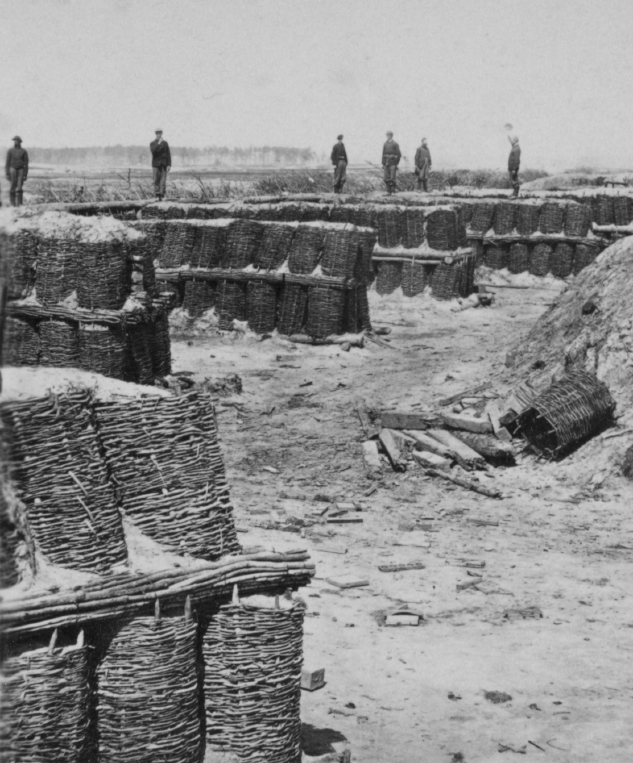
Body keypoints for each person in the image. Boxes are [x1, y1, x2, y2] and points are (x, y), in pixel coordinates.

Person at [5, 136, 29, 207]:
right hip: (13, 169)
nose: (15, 142)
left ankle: (19, 205)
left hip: (21, 170)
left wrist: (25, 174)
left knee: (19, 187)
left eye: (17, 141)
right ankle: (12, 204)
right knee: (12, 187)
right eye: (14, 141)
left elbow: (26, 164)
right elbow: (7, 163)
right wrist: (7, 174)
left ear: (19, 142)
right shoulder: (10, 151)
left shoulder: (23, 151)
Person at [150, 129, 171, 201]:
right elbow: (153, 152)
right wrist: (158, 143)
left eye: (160, 134)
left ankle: (162, 195)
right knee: (156, 180)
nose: (159, 135)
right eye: (157, 134)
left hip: (164, 164)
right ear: (155, 135)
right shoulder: (152, 143)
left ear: (161, 134)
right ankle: (156, 195)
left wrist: (169, 164)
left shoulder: (165, 143)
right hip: (156, 164)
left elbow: (168, 154)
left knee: (163, 180)